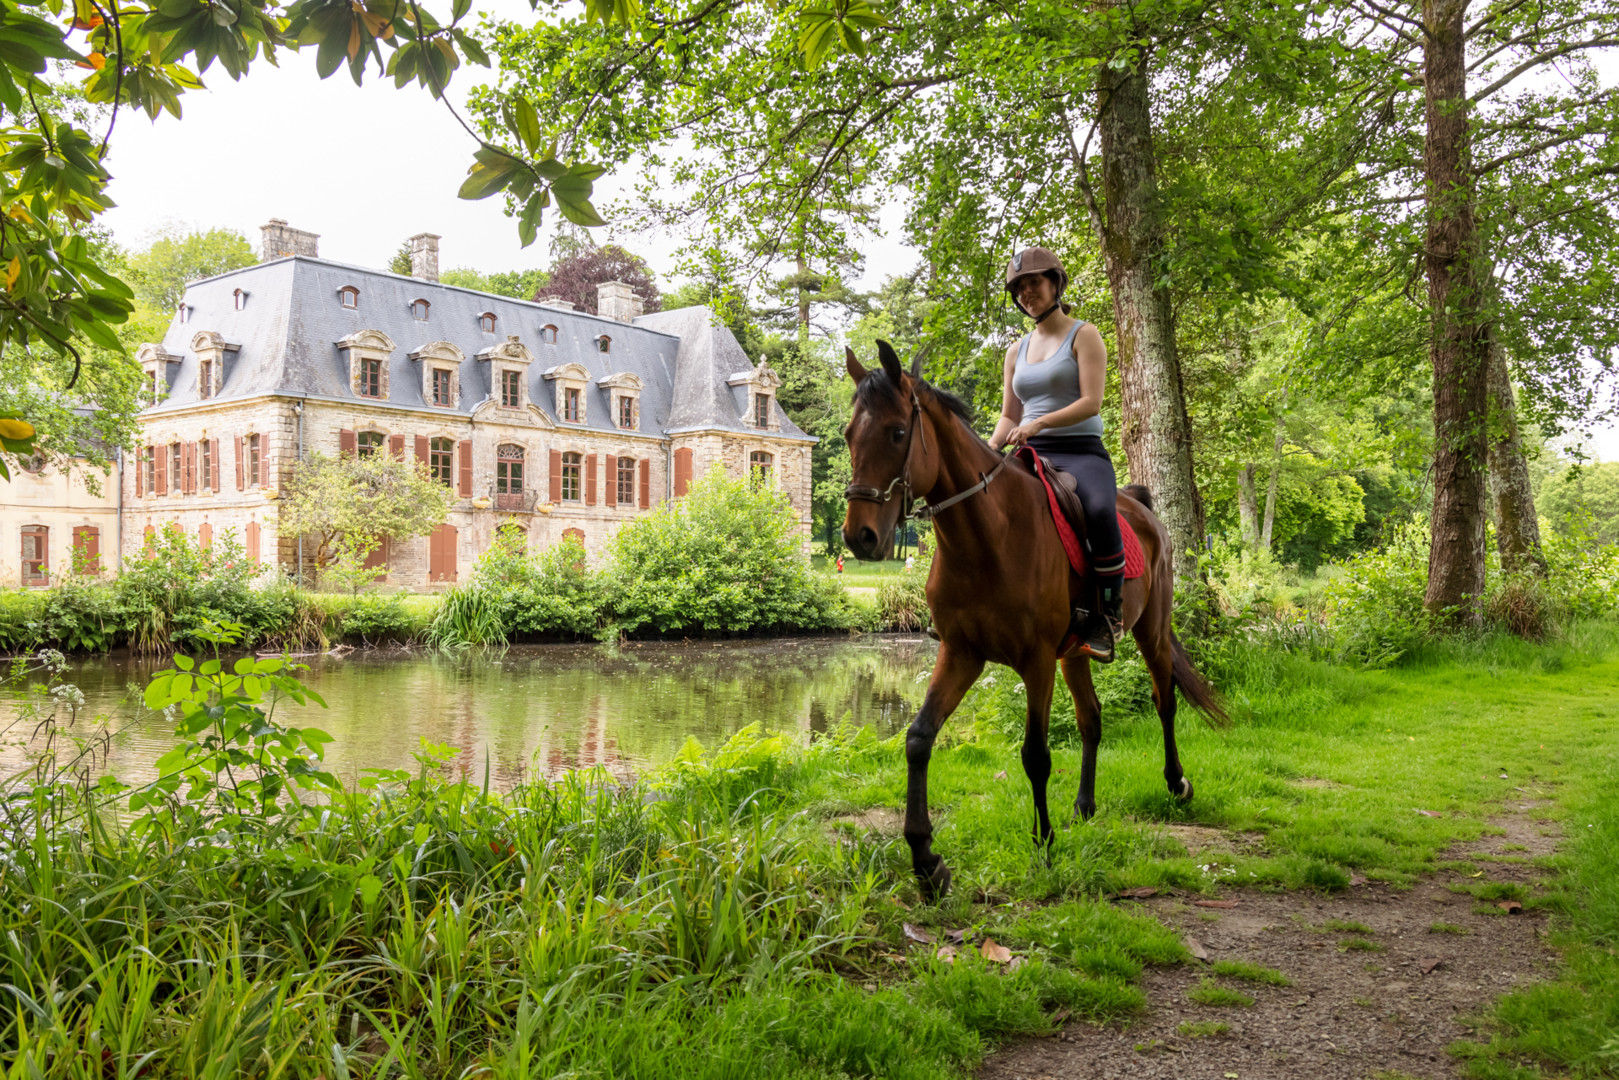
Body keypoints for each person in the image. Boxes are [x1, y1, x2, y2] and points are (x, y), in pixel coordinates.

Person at [988, 247, 1126, 663]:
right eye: (1019, 288)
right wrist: (989, 451)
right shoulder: (1016, 351)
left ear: (1055, 283)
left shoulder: (1084, 334)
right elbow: (1009, 414)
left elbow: (1091, 402)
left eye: (1033, 282)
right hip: (1029, 451)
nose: (1026, 292)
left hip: (1079, 451)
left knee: (1101, 509)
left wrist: (1040, 423)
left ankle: (1109, 615)